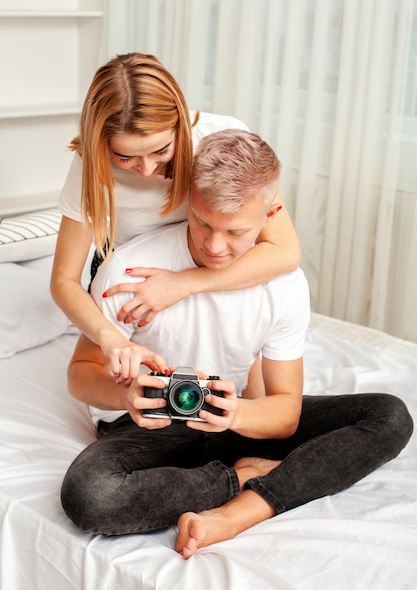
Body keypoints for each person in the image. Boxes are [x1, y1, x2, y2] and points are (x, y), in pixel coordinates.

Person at [60, 129, 413, 559]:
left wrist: (237, 413)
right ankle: (242, 479)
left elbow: (284, 413)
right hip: (150, 429)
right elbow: (80, 373)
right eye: (203, 222)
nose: (214, 245)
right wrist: (127, 394)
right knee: (90, 493)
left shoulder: (283, 286)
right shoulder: (129, 269)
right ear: (189, 199)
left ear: (271, 215)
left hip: (235, 421)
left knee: (388, 416)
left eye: (234, 232)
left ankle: (245, 508)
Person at [50, 52, 301, 380]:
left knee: (255, 403)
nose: (146, 170)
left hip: (211, 269)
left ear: (180, 122)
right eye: (125, 157)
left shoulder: (219, 137)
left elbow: (284, 250)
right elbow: (64, 280)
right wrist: (111, 340)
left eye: (160, 151)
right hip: (135, 276)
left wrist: (182, 283)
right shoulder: (90, 165)